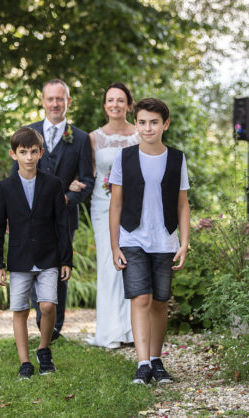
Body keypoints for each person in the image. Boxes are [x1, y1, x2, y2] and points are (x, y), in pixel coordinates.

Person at [108, 97, 190, 384]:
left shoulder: (177, 158)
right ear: (137, 125)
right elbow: (115, 204)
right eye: (142, 122)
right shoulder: (124, 158)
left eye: (154, 122)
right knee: (140, 297)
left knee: (159, 301)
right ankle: (142, 363)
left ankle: (156, 360)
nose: (147, 128)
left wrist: (184, 242)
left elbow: (182, 204)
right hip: (132, 237)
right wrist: (115, 244)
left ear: (165, 124)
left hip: (165, 239)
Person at [14, 79, 95, 341]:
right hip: (29, 218)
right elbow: (14, 176)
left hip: (64, 217)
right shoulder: (28, 133)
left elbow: (87, 181)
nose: (55, 104)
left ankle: (55, 327)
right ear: (43, 101)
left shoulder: (80, 138)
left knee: (59, 267)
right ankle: (40, 321)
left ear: (68, 102)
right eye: (50, 99)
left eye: (60, 99)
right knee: (33, 264)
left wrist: (66, 198)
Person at [0, 127, 73, 378]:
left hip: (48, 257)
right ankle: (25, 362)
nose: (28, 157)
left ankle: (44, 348)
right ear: (13, 154)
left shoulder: (53, 184)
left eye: (33, 152)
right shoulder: (4, 187)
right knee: (20, 310)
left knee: (48, 306)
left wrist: (65, 259)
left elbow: (62, 224)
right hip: (19, 260)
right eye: (23, 152)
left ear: (41, 153)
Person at [83, 82, 139, 349]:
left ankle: (131, 329)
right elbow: (89, 172)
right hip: (103, 204)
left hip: (134, 205)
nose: (115, 104)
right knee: (108, 264)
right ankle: (109, 330)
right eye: (110, 100)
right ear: (104, 105)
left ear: (129, 105)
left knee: (132, 261)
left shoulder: (140, 134)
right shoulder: (94, 137)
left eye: (120, 100)